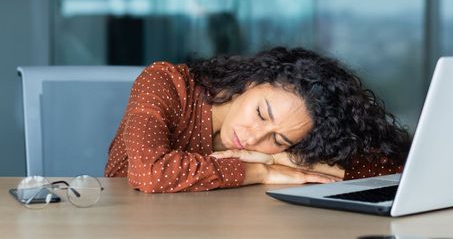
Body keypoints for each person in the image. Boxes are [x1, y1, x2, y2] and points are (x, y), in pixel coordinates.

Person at [105, 47, 410, 193]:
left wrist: (285, 161)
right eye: (262, 114)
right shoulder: (166, 82)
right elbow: (150, 174)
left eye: (277, 140)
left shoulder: (274, 145)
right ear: (253, 81)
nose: (253, 139)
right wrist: (261, 170)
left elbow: (391, 170)